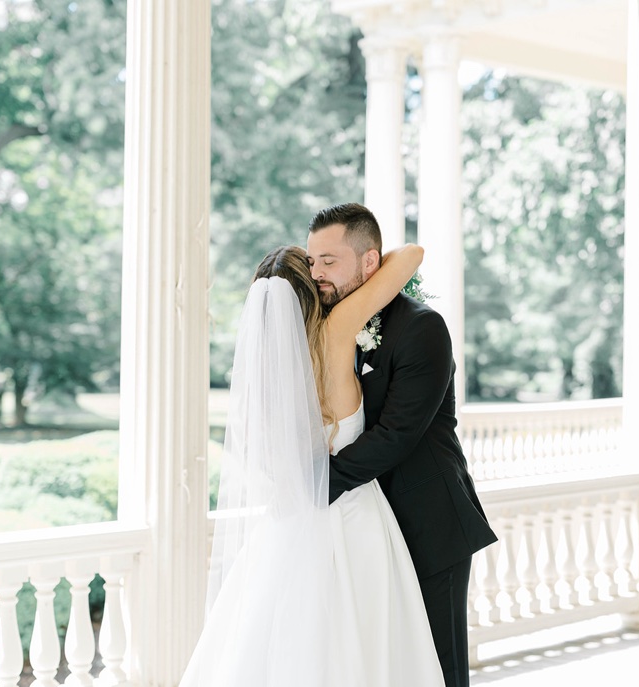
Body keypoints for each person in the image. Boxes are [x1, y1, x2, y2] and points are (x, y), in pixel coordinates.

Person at [180, 237, 445, 687]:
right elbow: (412, 255)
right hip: (353, 518)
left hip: (287, 523)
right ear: (311, 293)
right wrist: (333, 267)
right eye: (315, 272)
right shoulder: (336, 332)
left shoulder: (262, 372)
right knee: (362, 645)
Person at [309, 203, 498, 687]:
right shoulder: (330, 326)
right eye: (312, 262)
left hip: (428, 522)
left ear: (370, 264)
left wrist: (314, 486)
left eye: (330, 261)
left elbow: (396, 435)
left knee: (438, 668)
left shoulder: (420, 328)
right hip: (365, 530)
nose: (317, 274)